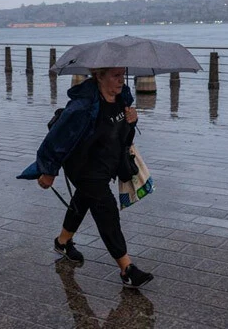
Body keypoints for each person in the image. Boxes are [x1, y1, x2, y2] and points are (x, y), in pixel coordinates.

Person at [18, 67, 154, 288]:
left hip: (106, 165)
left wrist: (132, 120)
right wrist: (49, 171)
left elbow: (122, 135)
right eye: (115, 75)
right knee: (105, 210)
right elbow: (58, 138)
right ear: (99, 76)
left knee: (83, 200)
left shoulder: (123, 98)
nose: (120, 80)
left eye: (122, 75)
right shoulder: (82, 106)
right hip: (83, 167)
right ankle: (126, 269)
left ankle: (62, 242)